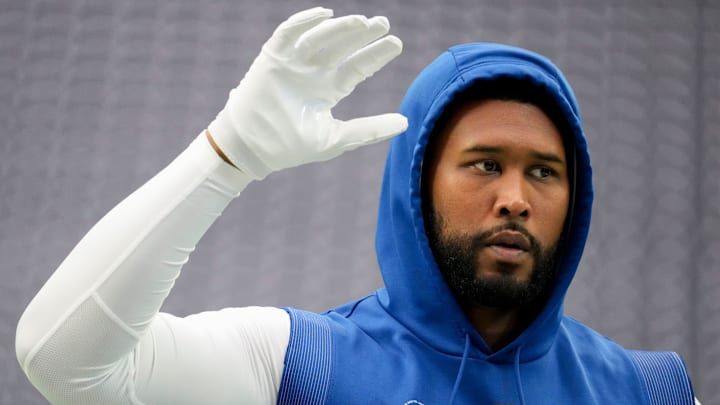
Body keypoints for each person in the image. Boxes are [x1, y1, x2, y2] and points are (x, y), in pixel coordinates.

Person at [15, 7, 698, 405]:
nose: (515, 198)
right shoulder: (304, 364)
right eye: (486, 164)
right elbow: (65, 364)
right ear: (417, 183)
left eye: (544, 172)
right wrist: (226, 156)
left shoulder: (648, 389)